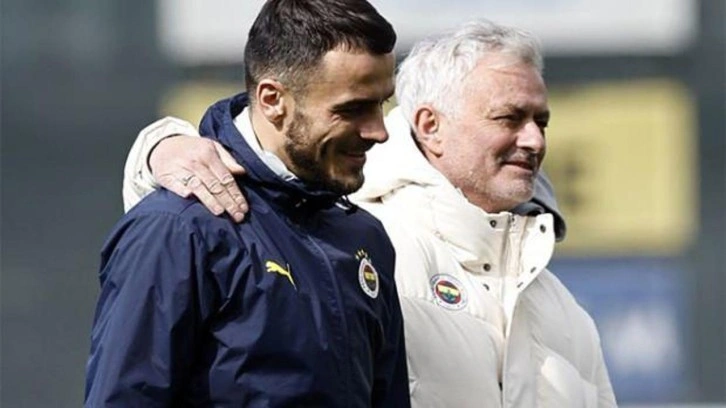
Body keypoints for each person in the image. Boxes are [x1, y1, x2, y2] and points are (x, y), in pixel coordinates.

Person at [123, 21, 618, 407]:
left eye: (541, 121)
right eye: (510, 117)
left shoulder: (566, 314)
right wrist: (159, 146)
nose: (534, 140)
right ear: (430, 125)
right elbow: (221, 198)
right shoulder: (353, 237)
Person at [85, 1, 411, 406]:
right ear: (273, 100)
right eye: (352, 109)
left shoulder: (364, 236)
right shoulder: (178, 228)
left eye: (381, 104)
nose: (378, 131)